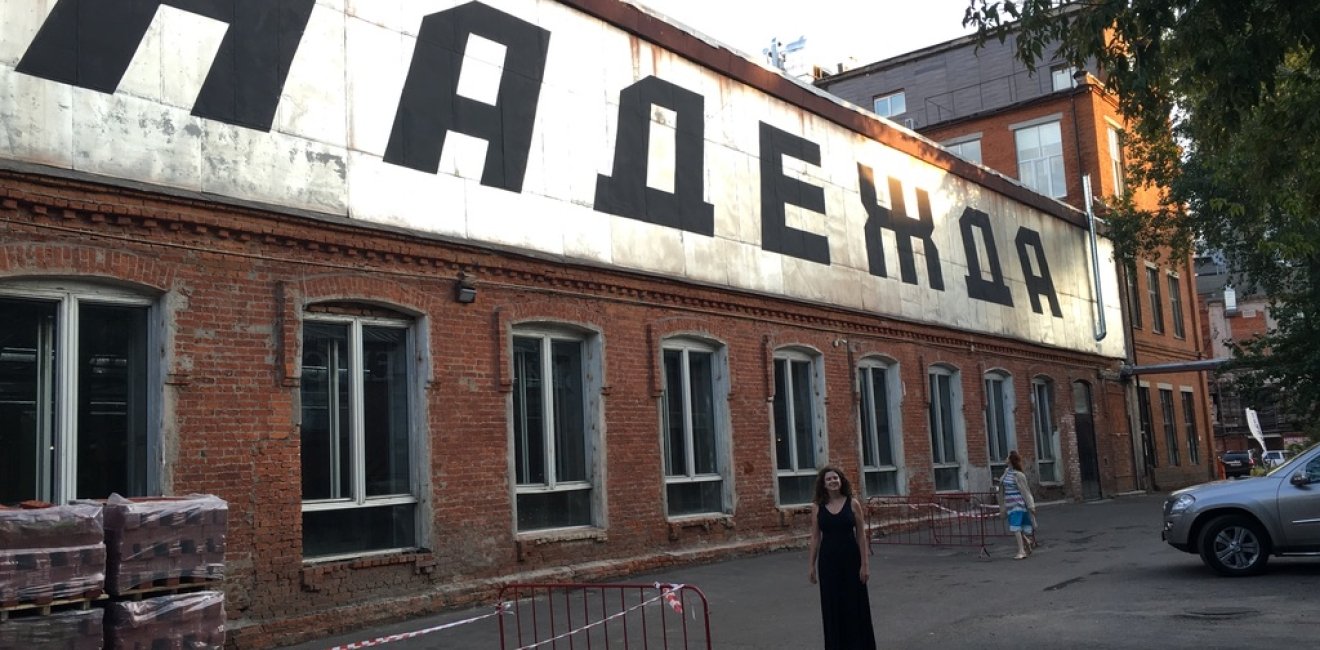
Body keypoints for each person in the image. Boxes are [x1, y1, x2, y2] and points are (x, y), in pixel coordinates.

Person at [807, 466, 876, 649]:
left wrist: (865, 564)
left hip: (851, 561)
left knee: (854, 605)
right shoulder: (817, 507)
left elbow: (861, 536)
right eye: (828, 479)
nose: (832, 481)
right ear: (823, 484)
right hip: (828, 563)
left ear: (841, 480)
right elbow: (815, 537)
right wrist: (811, 566)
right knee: (832, 606)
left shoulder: (853, 504)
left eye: (835, 478)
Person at [999, 450, 1037, 560]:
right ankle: (1027, 542)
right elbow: (1003, 485)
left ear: (1011, 460)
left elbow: (1026, 491)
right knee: (1016, 527)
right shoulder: (1007, 471)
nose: (1005, 459)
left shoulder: (1019, 475)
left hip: (1018, 503)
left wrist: (1031, 506)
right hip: (1009, 503)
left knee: (1015, 527)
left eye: (1007, 457)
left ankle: (1021, 550)